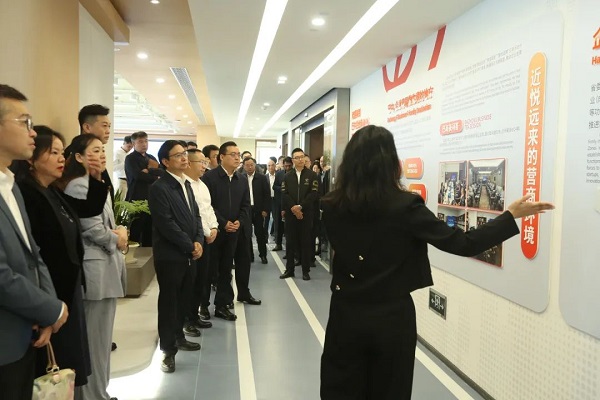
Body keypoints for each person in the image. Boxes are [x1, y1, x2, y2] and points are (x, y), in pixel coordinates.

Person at [319, 125, 554, 400]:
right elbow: (463, 243)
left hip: (345, 312)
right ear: (390, 162)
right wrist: (509, 216)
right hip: (391, 318)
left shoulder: (331, 205)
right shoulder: (405, 207)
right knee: (390, 389)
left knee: (340, 388)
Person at [14, 126, 108, 394]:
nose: (61, 158)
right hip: (50, 297)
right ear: (32, 159)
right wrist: (46, 309)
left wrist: (96, 177)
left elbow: (86, 209)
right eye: (53, 152)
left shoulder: (51, 190)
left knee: (68, 372)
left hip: (66, 294)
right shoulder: (27, 194)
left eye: (61, 152)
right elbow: (35, 257)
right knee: (52, 376)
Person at [0, 84, 68, 400]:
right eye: (24, 122)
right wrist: (51, 309)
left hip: (25, 333)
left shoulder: (10, 186)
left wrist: (47, 311)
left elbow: (33, 254)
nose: (32, 132)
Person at [61, 134, 127, 400]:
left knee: (101, 341)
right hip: (95, 269)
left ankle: (100, 393)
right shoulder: (79, 185)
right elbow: (91, 228)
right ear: (78, 157)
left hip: (106, 265)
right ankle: (91, 396)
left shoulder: (95, 183)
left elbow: (105, 223)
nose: (101, 155)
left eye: (102, 150)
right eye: (95, 150)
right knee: (94, 341)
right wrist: (117, 238)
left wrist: (118, 231)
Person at [148, 141, 204, 373]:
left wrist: (199, 240)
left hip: (189, 253)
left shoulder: (186, 184)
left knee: (184, 299)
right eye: (178, 155)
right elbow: (166, 223)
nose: (184, 158)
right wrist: (190, 245)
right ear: (165, 161)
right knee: (169, 304)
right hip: (170, 255)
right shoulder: (159, 188)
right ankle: (167, 351)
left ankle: (179, 337)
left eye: (184, 154)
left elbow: (196, 216)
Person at [201, 141, 251, 320]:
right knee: (209, 270)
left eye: (238, 155)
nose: (237, 158)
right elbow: (207, 206)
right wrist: (223, 223)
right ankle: (203, 305)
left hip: (233, 232)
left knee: (226, 269)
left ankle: (222, 305)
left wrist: (239, 222)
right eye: (233, 154)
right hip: (214, 232)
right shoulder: (209, 178)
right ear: (222, 157)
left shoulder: (241, 179)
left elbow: (246, 205)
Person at [183, 149, 217, 328]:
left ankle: (194, 315)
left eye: (205, 163)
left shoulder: (202, 185)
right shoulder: (184, 185)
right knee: (190, 280)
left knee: (202, 279)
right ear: (189, 163)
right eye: (201, 162)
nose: (204, 166)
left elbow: (208, 209)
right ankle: (186, 319)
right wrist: (206, 232)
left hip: (207, 238)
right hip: (194, 239)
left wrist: (214, 227)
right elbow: (194, 215)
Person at [280, 148, 319, 281]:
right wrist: (294, 208)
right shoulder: (287, 176)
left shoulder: (312, 175)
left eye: (302, 157)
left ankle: (305, 270)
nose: (300, 159)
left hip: (306, 213)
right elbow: (284, 194)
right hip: (291, 214)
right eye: (297, 157)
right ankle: (289, 269)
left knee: (305, 242)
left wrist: (300, 207)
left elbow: (313, 194)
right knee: (290, 242)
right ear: (293, 160)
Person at [125, 131, 161, 246]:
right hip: (136, 197)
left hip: (151, 197)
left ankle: (148, 250)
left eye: (146, 141)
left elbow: (161, 172)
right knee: (136, 226)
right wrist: (154, 176)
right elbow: (138, 175)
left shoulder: (151, 158)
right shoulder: (130, 158)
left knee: (150, 228)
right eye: (140, 142)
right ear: (133, 144)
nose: (144, 144)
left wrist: (149, 170)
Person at [242, 157, 271, 264]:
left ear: (255, 165)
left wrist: (265, 209)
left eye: (251, 165)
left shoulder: (262, 178)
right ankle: (250, 255)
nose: (249, 167)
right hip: (246, 210)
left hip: (258, 210)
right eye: (247, 165)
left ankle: (263, 255)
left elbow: (267, 195)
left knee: (260, 233)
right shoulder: (241, 178)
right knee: (247, 234)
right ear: (244, 166)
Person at [271, 156, 292, 251]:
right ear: (283, 165)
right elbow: (274, 186)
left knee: (289, 227)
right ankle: (278, 243)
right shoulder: (279, 174)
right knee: (278, 224)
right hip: (279, 202)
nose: (287, 168)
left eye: (289, 166)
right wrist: (283, 189)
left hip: (290, 203)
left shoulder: (294, 174)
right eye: (285, 166)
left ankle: (290, 248)